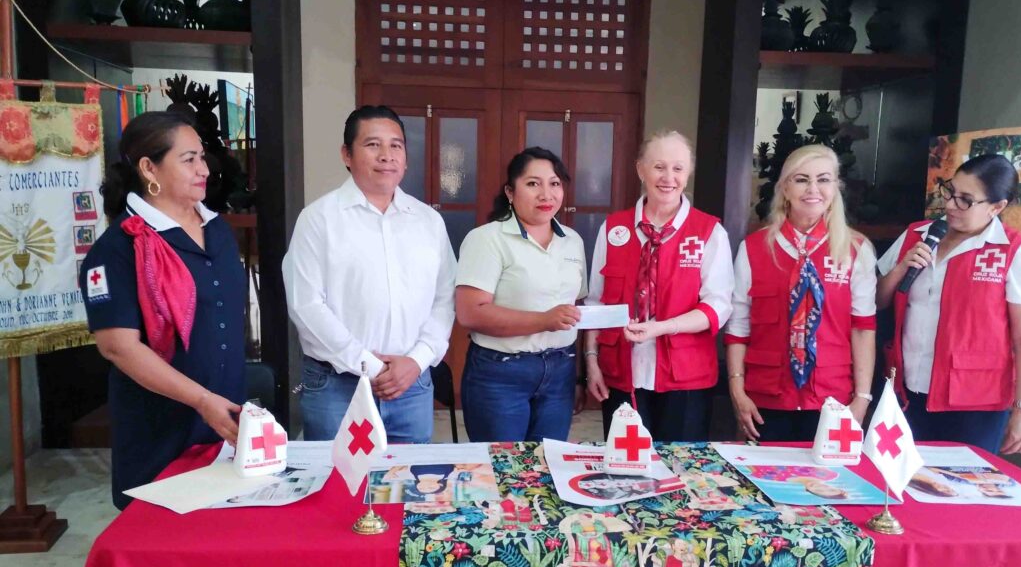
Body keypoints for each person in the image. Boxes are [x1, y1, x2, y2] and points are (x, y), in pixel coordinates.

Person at [80, 111, 246, 509]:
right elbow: (119, 347)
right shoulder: (119, 247)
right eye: (188, 160)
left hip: (226, 419)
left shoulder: (217, 229)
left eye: (202, 158)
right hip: (161, 427)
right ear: (149, 167)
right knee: (164, 542)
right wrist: (201, 400)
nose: (203, 169)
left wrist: (217, 404)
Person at [283, 106, 455, 442]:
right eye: (373, 145)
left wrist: (416, 361)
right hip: (339, 387)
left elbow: (445, 297)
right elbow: (307, 306)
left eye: (396, 146)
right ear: (347, 155)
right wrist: (370, 366)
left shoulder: (428, 221)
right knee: (338, 488)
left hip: (412, 385)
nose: (386, 156)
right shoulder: (318, 219)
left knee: (408, 486)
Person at [877, 154, 1021, 454]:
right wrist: (900, 268)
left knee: (961, 491)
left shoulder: (1015, 252)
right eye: (950, 191)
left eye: (966, 200)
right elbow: (877, 300)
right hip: (907, 390)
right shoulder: (917, 235)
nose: (951, 205)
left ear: (997, 206)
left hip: (976, 403)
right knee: (901, 487)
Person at [584, 130, 734, 441]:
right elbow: (596, 302)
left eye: (678, 168)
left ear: (688, 172)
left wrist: (663, 327)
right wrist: (591, 360)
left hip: (686, 377)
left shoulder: (709, 232)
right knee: (625, 469)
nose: (668, 177)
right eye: (658, 166)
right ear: (640, 169)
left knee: (680, 470)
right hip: (621, 373)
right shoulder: (614, 228)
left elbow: (718, 305)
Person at [726, 145, 877, 442]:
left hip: (832, 399)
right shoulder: (754, 248)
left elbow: (863, 329)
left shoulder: (856, 250)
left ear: (836, 187)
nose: (813, 189)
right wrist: (736, 390)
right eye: (801, 179)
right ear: (784, 188)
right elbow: (738, 328)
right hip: (765, 397)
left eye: (823, 179)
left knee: (828, 485)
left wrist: (861, 398)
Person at [456, 147, 587, 442]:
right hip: (501, 374)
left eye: (554, 184)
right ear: (510, 192)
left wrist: (579, 377)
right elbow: (470, 312)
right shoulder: (487, 239)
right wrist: (544, 320)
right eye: (532, 184)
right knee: (502, 469)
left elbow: (575, 311)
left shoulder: (572, 241)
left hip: (560, 369)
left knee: (547, 466)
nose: (546, 194)